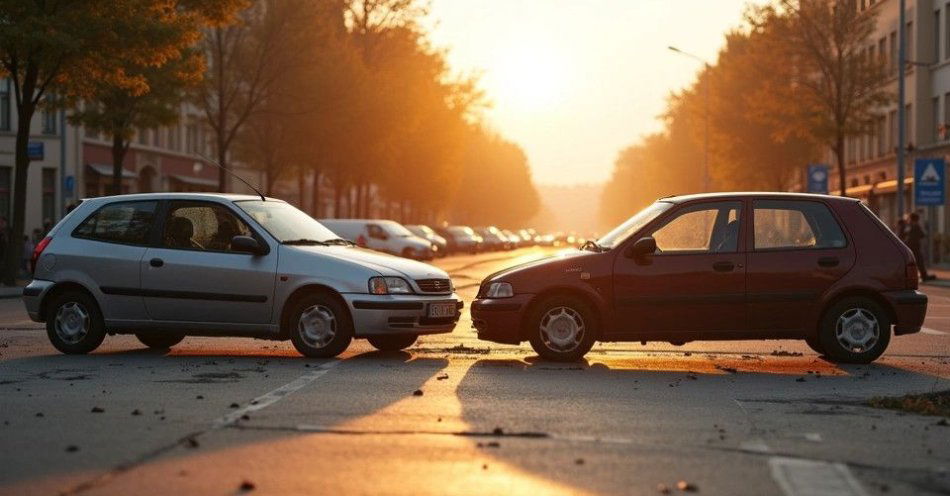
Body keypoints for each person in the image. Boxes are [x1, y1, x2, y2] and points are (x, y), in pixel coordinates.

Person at [906, 212, 936, 281]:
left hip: (914, 247)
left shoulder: (915, 227)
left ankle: (923, 276)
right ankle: (923, 275)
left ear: (912, 219)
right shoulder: (914, 226)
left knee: (918, 262)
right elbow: (922, 235)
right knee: (919, 262)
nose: (908, 220)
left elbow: (919, 235)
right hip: (914, 247)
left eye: (909, 218)